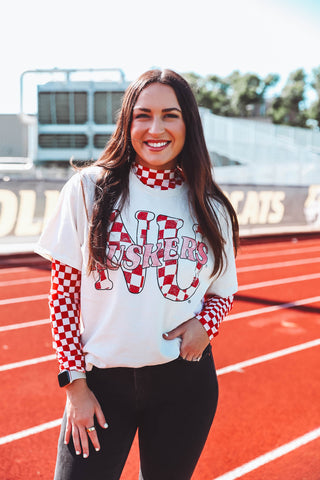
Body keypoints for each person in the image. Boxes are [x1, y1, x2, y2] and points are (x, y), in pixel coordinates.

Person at [35, 68, 239, 480]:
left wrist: (206, 326)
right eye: (143, 115)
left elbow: (222, 291)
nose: (155, 128)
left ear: (188, 125)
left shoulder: (211, 207)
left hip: (183, 384)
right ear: (127, 122)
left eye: (170, 115)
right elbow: (62, 296)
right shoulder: (88, 190)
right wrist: (75, 387)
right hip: (101, 386)